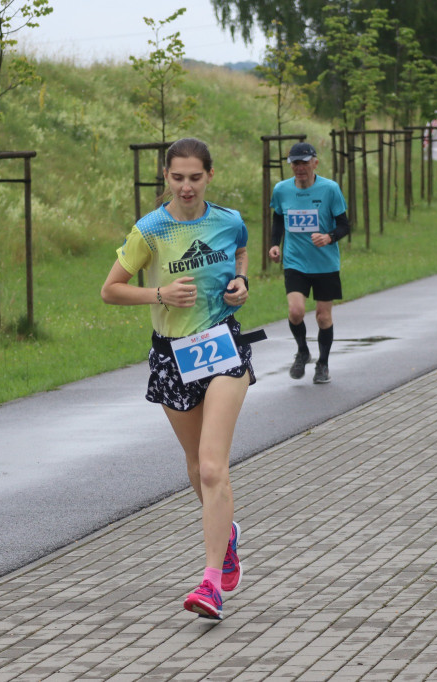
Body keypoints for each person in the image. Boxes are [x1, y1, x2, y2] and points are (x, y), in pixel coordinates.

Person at [101, 137, 263, 620]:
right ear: (166, 178)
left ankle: (211, 583)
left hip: (222, 347)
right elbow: (110, 290)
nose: (187, 186)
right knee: (196, 466)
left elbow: (240, 255)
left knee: (214, 467)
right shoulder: (150, 230)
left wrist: (241, 284)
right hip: (173, 357)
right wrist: (160, 294)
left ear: (210, 175)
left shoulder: (229, 220)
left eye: (196, 177)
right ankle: (226, 531)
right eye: (178, 177)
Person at [269, 141, 350, 385]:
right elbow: (278, 220)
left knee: (323, 318)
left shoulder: (330, 189)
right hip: (295, 261)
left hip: (325, 263)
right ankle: (303, 351)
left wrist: (329, 237)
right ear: (290, 165)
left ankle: (323, 363)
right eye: (295, 163)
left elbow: (345, 225)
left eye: (304, 162)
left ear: (315, 162)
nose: (300, 167)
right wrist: (274, 244)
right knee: (296, 311)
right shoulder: (282, 189)